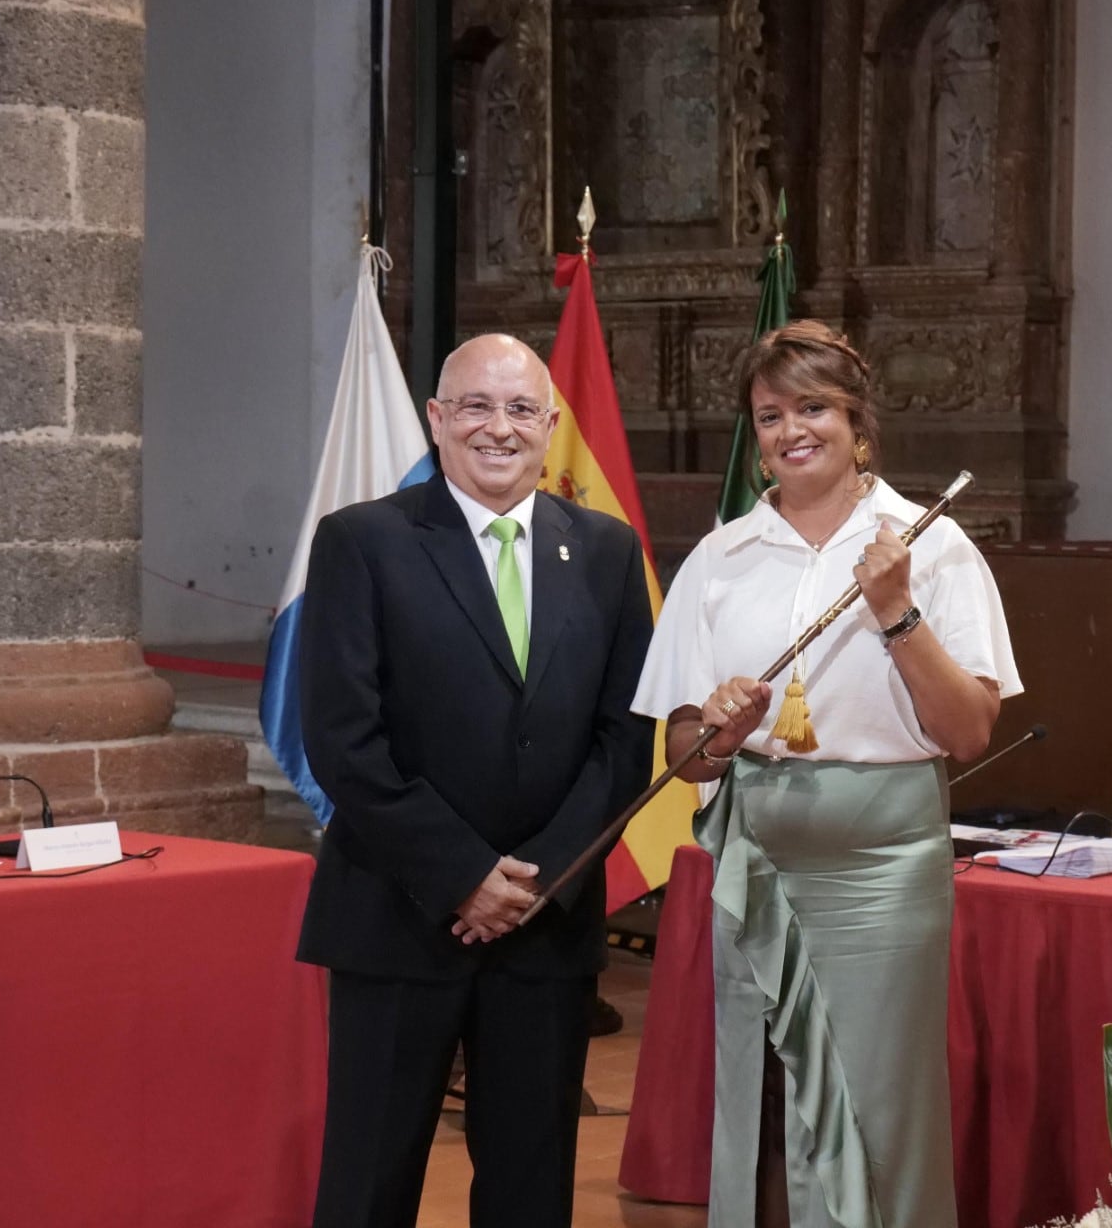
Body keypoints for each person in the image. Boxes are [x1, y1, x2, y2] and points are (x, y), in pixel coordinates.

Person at [633, 320, 1020, 1227]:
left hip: (885, 866)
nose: (791, 430)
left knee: (879, 1108)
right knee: (764, 1097)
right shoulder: (720, 558)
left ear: (857, 421)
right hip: (757, 859)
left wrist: (897, 613)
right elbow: (681, 755)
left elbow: (967, 732)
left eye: (813, 407)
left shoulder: (934, 548)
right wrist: (720, 733)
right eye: (770, 415)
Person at [295, 333, 655, 1228]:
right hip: (396, 918)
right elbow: (342, 739)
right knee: (369, 1185)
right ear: (436, 418)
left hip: (546, 927)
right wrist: (463, 875)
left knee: (532, 1189)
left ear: (552, 425)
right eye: (476, 407)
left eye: (521, 409)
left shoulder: (608, 553)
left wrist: (533, 881)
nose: (500, 428)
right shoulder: (362, 542)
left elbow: (627, 738)